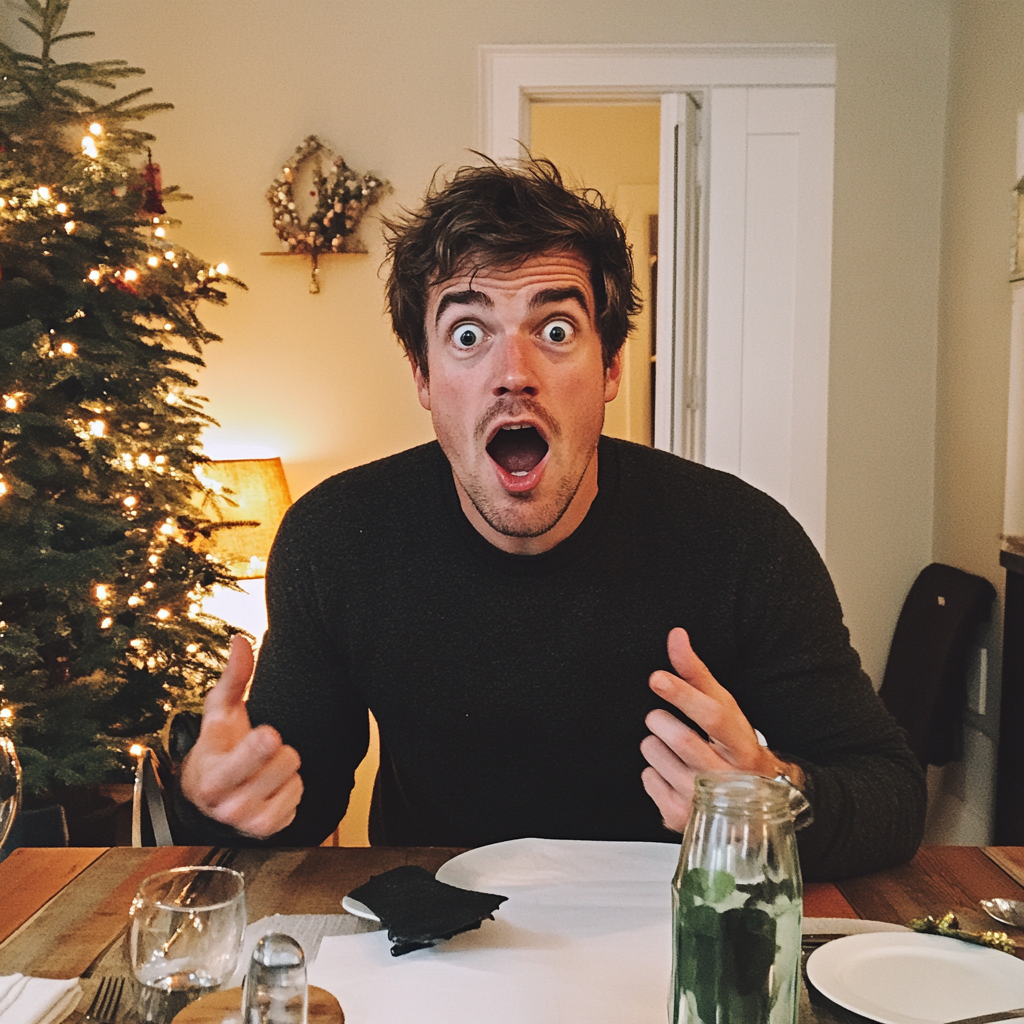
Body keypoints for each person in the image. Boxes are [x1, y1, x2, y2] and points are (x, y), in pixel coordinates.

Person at [178, 159, 926, 880]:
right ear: (423, 378)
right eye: (468, 335)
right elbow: (293, 805)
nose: (514, 373)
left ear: (610, 369)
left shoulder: (743, 541)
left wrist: (771, 799)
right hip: (433, 940)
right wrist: (226, 803)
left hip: (663, 937)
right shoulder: (336, 540)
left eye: (557, 330)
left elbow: (890, 790)